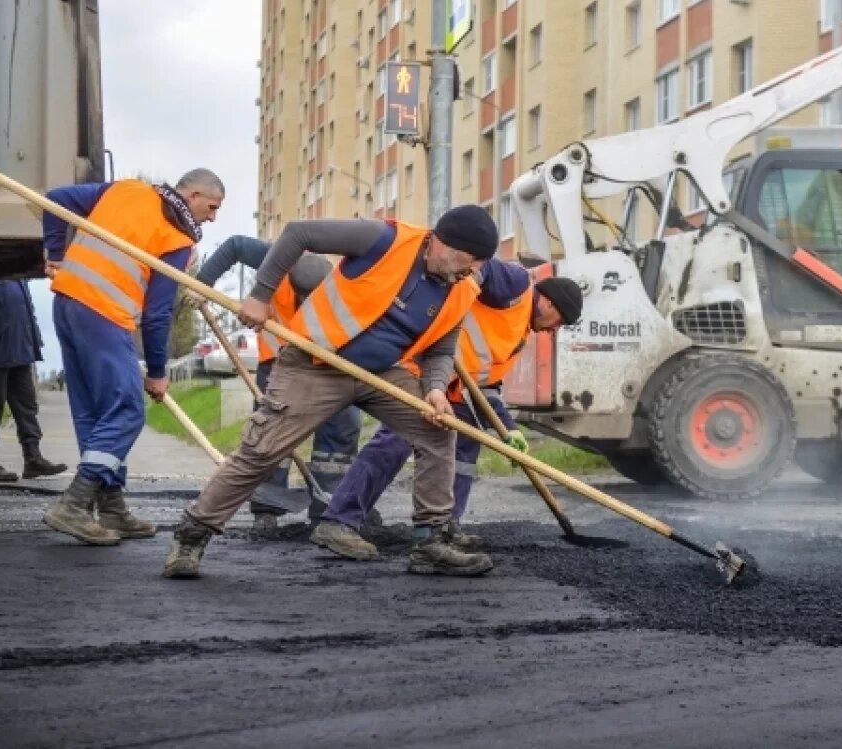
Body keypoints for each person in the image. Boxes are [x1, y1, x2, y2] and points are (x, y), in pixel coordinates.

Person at [164, 205, 500, 579]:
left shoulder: (463, 289)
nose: (471, 273)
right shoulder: (385, 239)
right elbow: (298, 232)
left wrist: (436, 390)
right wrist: (260, 295)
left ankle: (430, 542)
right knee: (261, 451)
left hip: (383, 374)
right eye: (470, 262)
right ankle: (192, 535)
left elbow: (440, 350)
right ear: (445, 243)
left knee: (438, 430)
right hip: (315, 363)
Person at [311, 261, 583, 560]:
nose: (555, 329)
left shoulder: (518, 337)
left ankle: (445, 523)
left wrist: (510, 429)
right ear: (547, 301)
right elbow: (482, 267)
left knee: (466, 443)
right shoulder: (518, 286)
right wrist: (451, 298)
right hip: (422, 370)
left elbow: (487, 387)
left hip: (454, 389)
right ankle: (338, 521)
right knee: (395, 442)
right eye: (560, 319)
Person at [41, 169, 223, 545]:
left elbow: (56, 198)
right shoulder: (177, 236)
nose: (213, 217)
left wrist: (56, 255)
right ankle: (74, 504)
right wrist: (157, 372)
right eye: (212, 206)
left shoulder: (127, 190)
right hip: (103, 314)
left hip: (68, 303)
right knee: (126, 410)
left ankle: (111, 507)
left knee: (96, 410)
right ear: (193, 194)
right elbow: (157, 314)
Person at [190, 236, 364, 532]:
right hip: (279, 361)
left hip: (330, 362)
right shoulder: (277, 257)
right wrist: (201, 284)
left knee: (342, 429)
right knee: (270, 435)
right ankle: (267, 507)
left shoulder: (347, 284)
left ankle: (331, 506)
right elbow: (233, 246)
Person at [0, 280, 68, 482]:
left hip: (20, 349)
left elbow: (27, 308)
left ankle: (33, 458)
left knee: (27, 406)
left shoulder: (17, 274)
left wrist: (34, 338)